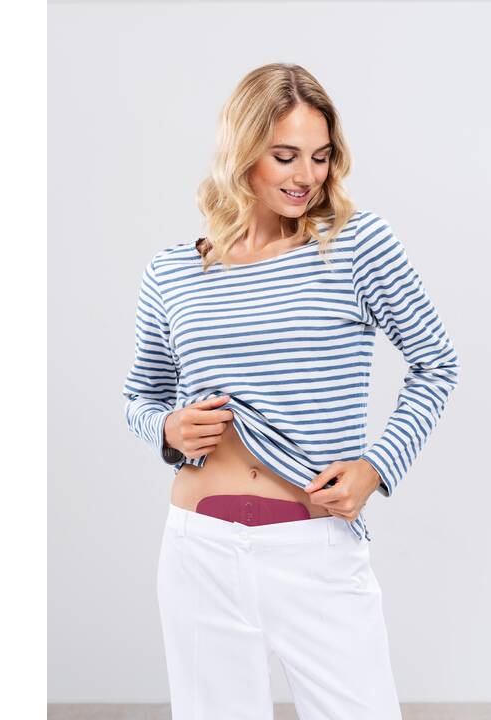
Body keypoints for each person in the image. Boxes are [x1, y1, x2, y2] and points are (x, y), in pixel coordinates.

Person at [122, 62, 460, 720]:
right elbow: (141, 395)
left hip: (315, 549)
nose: (306, 175)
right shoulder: (172, 273)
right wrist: (166, 428)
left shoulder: (356, 247)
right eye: (285, 156)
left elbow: (436, 364)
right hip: (199, 550)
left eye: (321, 156)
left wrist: (376, 467)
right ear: (242, 152)